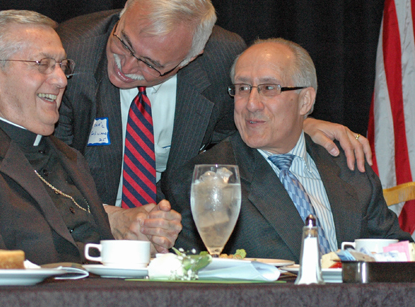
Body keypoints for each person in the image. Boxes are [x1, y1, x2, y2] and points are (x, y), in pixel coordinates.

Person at [56, 0, 373, 233]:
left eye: (150, 64)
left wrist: (301, 123)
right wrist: (114, 219)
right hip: (88, 230)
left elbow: (238, 129)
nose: (126, 65)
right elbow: (49, 173)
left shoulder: (220, 58)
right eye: (123, 43)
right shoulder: (69, 56)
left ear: (190, 58)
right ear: (125, 10)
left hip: (179, 233)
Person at [0, 10, 181, 265]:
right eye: (42, 64)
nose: (61, 80)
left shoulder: (70, 157)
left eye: (62, 65)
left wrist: (138, 243)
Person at [161, 38, 412, 263]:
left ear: (305, 101)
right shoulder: (204, 179)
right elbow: (194, 276)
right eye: (242, 88)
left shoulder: (349, 169)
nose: (251, 104)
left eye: (268, 88)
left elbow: (398, 255)